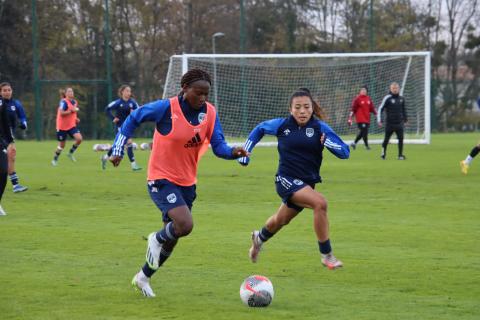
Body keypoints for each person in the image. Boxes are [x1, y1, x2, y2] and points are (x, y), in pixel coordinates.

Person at [109, 68, 248, 297]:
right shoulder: (166, 108)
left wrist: (233, 152)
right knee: (185, 225)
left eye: (206, 94)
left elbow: (219, 146)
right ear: (185, 88)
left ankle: (143, 278)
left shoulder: (209, 113)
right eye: (198, 93)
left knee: (173, 238)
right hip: (160, 178)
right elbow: (133, 118)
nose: (202, 98)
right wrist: (117, 149)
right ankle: (155, 238)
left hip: (187, 182)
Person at [238, 88, 350, 269]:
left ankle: (259, 238)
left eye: (306, 107)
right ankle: (327, 255)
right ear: (290, 109)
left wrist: (327, 143)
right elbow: (260, 128)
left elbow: (345, 152)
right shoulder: (282, 125)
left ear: (312, 108)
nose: (302, 111)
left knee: (280, 220)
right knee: (320, 203)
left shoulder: (320, 128)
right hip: (285, 179)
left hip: (306, 184)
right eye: (297, 107)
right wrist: (246, 151)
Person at [101, 85, 141, 171]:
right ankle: (134, 165)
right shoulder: (118, 102)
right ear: (122, 92)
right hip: (120, 127)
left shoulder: (133, 102)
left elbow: (139, 110)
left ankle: (105, 157)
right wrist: (113, 118)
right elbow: (107, 109)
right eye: (127, 91)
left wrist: (134, 114)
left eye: (129, 91)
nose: (128, 93)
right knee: (128, 143)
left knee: (118, 144)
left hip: (129, 126)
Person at [0, 82, 28, 192]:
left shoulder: (16, 104)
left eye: (9, 90)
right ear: (0, 92)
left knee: (11, 156)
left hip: (8, 133)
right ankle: (15, 184)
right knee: (9, 156)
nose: (7, 92)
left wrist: (24, 124)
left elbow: (22, 117)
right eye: (4, 90)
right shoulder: (1, 103)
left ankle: (15, 185)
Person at [51, 87, 83, 166]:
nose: (71, 93)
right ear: (65, 94)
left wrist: (76, 119)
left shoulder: (75, 102)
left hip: (71, 126)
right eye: (69, 91)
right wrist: (72, 111)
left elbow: (73, 113)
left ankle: (70, 153)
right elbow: (62, 113)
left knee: (79, 139)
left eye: (72, 91)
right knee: (62, 145)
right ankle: (55, 159)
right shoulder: (63, 102)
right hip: (62, 126)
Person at [377, 82, 407, 160]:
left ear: (399, 89)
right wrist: (379, 120)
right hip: (390, 123)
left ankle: (400, 155)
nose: (395, 89)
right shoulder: (387, 98)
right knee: (386, 139)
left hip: (399, 123)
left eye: (396, 88)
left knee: (401, 139)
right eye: (393, 88)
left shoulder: (401, 98)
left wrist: (406, 119)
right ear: (390, 89)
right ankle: (383, 154)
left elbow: (403, 110)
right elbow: (380, 108)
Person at [348, 85, 377, 150]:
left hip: (367, 119)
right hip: (360, 119)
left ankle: (354, 143)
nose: (363, 91)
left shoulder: (368, 98)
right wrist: (350, 118)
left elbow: (372, 108)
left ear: (366, 91)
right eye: (362, 90)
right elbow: (353, 109)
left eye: (364, 90)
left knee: (362, 133)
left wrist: (376, 114)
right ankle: (367, 146)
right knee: (365, 132)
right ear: (360, 91)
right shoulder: (357, 99)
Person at [0, 95, 15, 215]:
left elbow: (5, 122)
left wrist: (9, 141)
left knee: (3, 171)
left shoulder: (1, 102)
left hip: (0, 142)